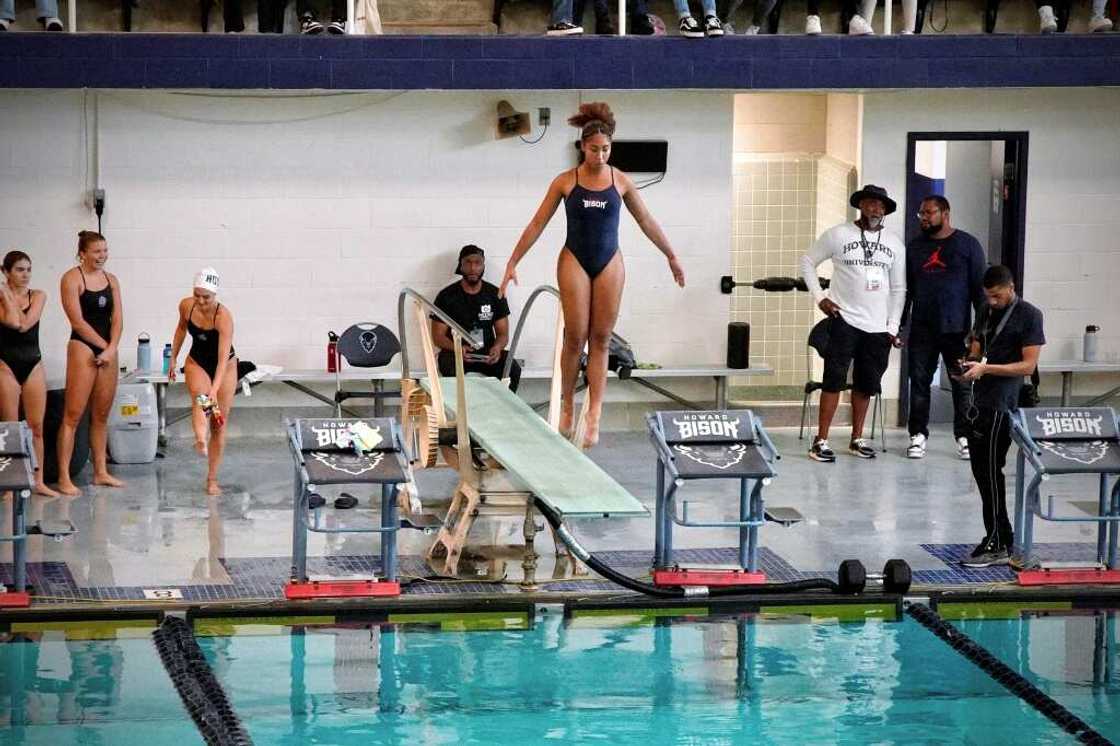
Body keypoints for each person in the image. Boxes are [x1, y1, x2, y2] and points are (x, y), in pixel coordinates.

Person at [502, 102, 684, 448]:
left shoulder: (621, 181)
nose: (600, 155)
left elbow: (646, 221)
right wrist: (513, 261)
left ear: (610, 148)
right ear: (582, 147)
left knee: (600, 339)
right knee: (575, 336)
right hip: (574, 258)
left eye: (606, 149)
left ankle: (595, 412)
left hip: (609, 261)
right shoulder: (566, 182)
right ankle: (568, 405)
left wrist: (671, 255)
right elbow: (537, 223)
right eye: (594, 149)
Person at [800, 185, 906, 462]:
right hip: (844, 319)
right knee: (833, 380)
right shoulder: (838, 234)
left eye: (881, 206)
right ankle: (820, 440)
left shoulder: (894, 243)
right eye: (871, 204)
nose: (876, 209)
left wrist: (892, 326)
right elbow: (808, 261)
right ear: (861, 206)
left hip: (878, 326)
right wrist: (820, 298)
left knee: (866, 383)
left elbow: (899, 288)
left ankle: (857, 437)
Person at [958, 265, 1045, 568]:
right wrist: (969, 361)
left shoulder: (1029, 315)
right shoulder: (985, 310)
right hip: (981, 400)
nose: (992, 302)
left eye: (997, 296)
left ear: (1011, 287)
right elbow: (978, 346)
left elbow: (1027, 366)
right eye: (988, 297)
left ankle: (998, 541)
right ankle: (998, 534)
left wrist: (987, 369)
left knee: (992, 471)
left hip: (1003, 403)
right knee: (982, 472)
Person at [904, 195, 986, 461]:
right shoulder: (915, 247)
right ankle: (917, 436)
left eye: (929, 213)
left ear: (945, 213)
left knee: (962, 386)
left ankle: (964, 436)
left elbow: (980, 294)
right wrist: (898, 326)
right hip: (922, 330)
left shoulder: (968, 245)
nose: (924, 218)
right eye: (921, 214)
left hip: (958, 331)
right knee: (919, 383)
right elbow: (906, 291)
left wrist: (979, 334)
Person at [57, 231, 124, 496]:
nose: (102, 256)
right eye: (97, 251)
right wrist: (102, 347)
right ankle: (63, 477)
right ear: (82, 253)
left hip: (107, 349)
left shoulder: (112, 280)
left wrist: (111, 349)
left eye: (105, 251)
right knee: (73, 416)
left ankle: (100, 472)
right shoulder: (71, 279)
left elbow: (118, 319)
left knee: (101, 415)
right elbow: (77, 322)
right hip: (83, 347)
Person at [168, 268, 237, 496]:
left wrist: (216, 389)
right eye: (197, 294)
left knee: (219, 422)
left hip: (224, 366)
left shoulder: (223, 316)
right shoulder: (186, 306)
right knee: (201, 397)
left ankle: (212, 479)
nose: (200, 301)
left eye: (206, 297)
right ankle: (200, 439)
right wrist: (173, 358)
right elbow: (180, 330)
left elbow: (221, 359)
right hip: (196, 361)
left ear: (215, 295)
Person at [0, 251, 57, 496]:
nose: (26, 275)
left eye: (28, 270)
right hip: (5, 365)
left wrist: (7, 296)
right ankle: (10, 485)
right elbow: (12, 323)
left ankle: (38, 480)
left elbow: (25, 324)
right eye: (19, 270)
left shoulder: (39, 296)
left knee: (36, 426)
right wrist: (5, 294)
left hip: (33, 363)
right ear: (6, 272)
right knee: (10, 428)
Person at [432, 245, 521, 392]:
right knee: (448, 366)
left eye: (477, 263)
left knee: (512, 367)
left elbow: (503, 334)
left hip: (486, 353)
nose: (473, 268)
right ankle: (458, 411)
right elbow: (438, 337)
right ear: (460, 265)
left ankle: (504, 408)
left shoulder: (495, 294)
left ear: (483, 266)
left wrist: (497, 348)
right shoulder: (446, 296)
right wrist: (458, 349)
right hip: (456, 353)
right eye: (468, 262)